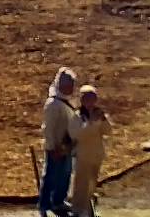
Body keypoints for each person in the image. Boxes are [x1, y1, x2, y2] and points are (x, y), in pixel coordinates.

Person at [40, 67, 82, 217]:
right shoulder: (53, 104)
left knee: (65, 175)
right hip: (55, 148)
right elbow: (48, 129)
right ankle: (44, 205)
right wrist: (52, 148)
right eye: (69, 85)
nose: (71, 88)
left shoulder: (67, 102)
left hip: (67, 146)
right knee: (51, 176)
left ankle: (59, 201)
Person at [71, 85, 113, 217]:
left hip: (96, 155)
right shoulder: (77, 116)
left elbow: (108, 132)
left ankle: (89, 210)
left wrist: (103, 120)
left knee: (91, 185)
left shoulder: (98, 115)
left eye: (92, 99)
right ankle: (78, 211)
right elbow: (76, 134)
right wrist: (92, 124)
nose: (90, 102)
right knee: (80, 186)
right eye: (87, 99)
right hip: (82, 156)